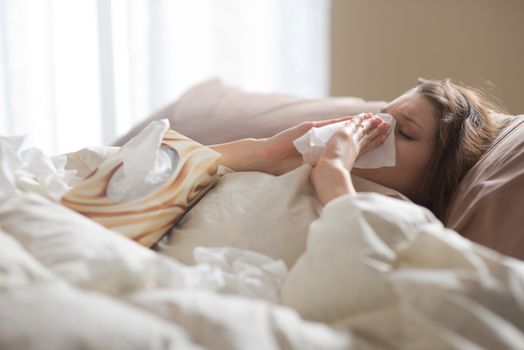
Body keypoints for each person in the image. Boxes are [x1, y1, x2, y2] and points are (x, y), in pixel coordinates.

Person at [210, 78, 503, 220]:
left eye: (403, 131)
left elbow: (355, 254)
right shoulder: (300, 164)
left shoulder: (400, 212)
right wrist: (266, 153)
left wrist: (334, 170)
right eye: (381, 115)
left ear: (438, 172)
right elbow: (174, 165)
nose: (378, 127)